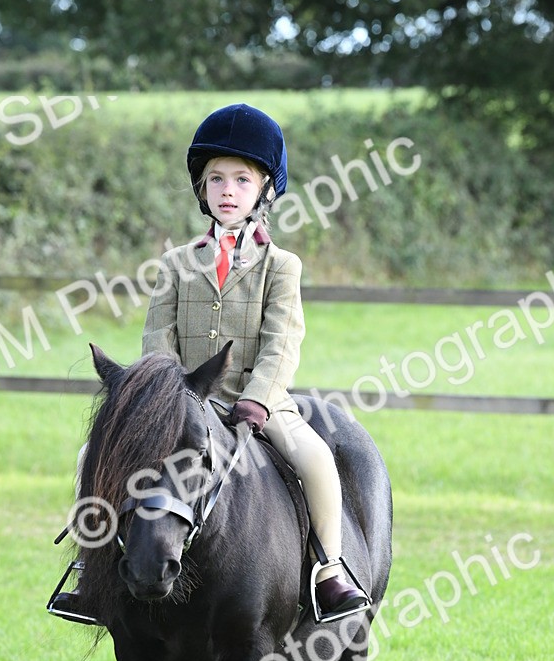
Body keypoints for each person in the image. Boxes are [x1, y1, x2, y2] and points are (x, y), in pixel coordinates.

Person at [49, 103, 369, 623]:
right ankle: (90, 568)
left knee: (316, 459)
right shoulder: (176, 263)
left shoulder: (282, 267)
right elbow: (158, 339)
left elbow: (282, 341)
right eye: (216, 178)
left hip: (259, 403)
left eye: (242, 179)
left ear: (265, 190)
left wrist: (257, 401)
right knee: (93, 452)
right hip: (182, 405)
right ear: (201, 189)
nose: (227, 189)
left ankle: (328, 570)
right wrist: (168, 398)